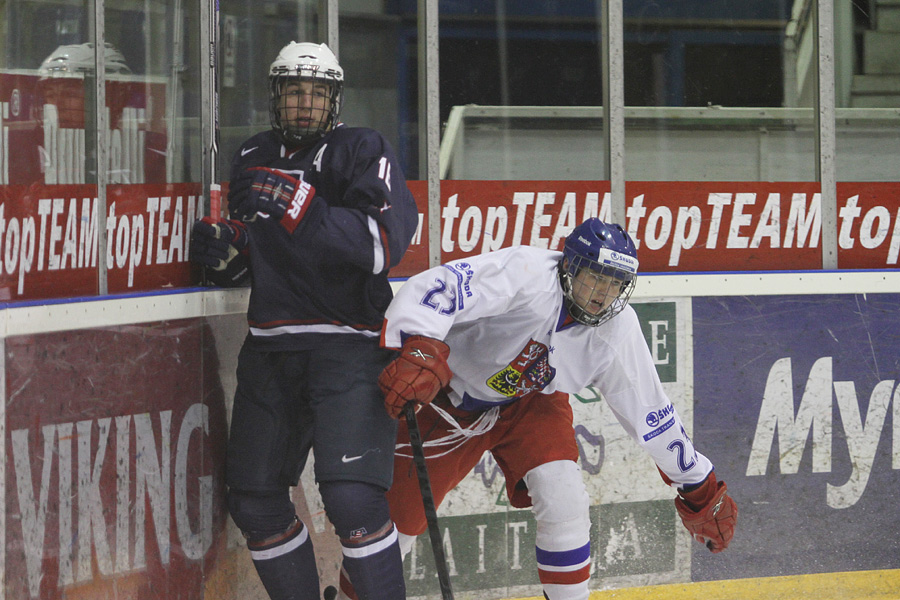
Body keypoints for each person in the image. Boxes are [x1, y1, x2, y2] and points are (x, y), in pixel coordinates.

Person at [342, 218, 737, 600]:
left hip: (530, 403)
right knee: (392, 534)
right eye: (597, 277)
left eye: (616, 284)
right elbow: (440, 287)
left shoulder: (616, 328)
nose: (604, 293)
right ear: (569, 266)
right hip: (447, 402)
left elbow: (651, 414)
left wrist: (699, 486)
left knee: (564, 496)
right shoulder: (527, 273)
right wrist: (418, 343)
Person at [189, 42, 418, 600]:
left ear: (334, 99)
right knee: (255, 500)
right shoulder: (251, 155)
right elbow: (260, 253)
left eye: (317, 92)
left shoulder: (363, 149)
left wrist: (299, 205)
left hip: (352, 347)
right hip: (270, 349)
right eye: (294, 91)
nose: (305, 103)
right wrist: (230, 249)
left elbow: (382, 246)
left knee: (352, 501)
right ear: (276, 96)